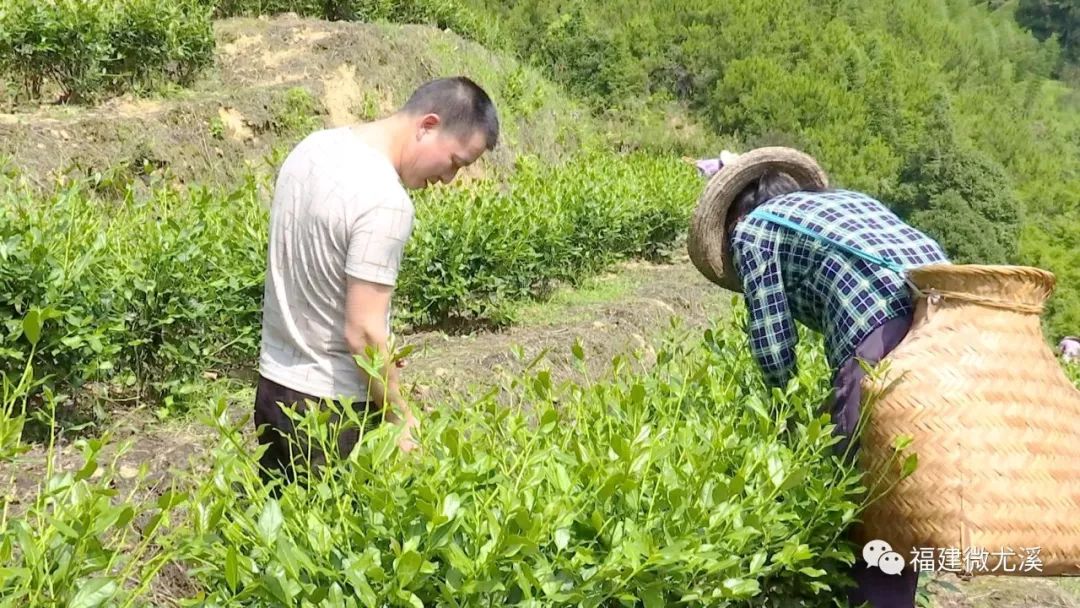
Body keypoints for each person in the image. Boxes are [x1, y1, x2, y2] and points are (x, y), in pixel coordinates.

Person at [688, 147, 951, 608]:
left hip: (880, 335)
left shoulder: (754, 229)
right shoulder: (850, 202)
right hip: (948, 328)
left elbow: (773, 346)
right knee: (904, 488)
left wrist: (786, 425)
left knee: (861, 493)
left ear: (735, 214)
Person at [254, 76, 499, 483]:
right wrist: (401, 416)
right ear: (428, 125)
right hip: (332, 412)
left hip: (273, 388)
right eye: (455, 162)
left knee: (276, 532)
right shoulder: (385, 200)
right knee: (336, 542)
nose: (449, 179)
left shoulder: (312, 148)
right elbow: (364, 334)